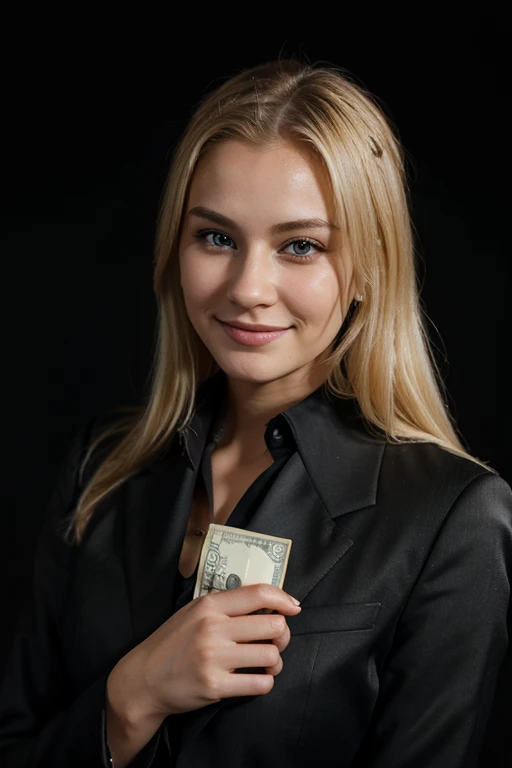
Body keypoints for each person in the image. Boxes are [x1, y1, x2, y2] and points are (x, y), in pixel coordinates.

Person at [0, 58, 510, 768]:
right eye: (217, 237)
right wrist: (132, 697)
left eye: (300, 246)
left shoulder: (451, 517)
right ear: (175, 248)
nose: (248, 288)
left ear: (368, 265)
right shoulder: (102, 472)